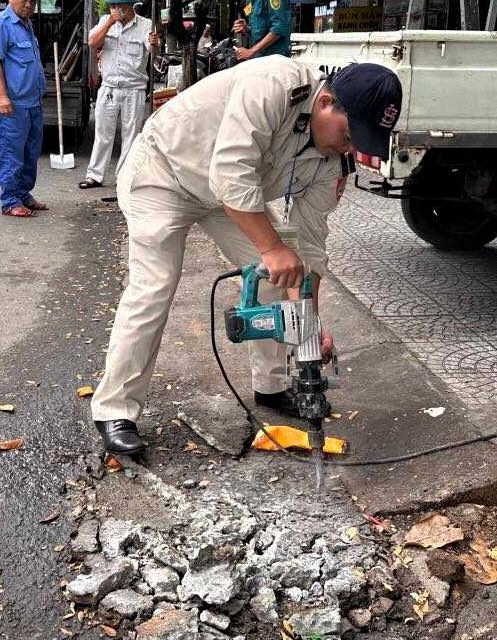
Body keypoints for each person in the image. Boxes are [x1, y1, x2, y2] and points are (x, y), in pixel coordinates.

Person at [89, 56, 403, 456]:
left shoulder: (330, 161)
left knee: (278, 278)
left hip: (229, 197)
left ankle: (271, 386)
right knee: (155, 287)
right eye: (350, 133)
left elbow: (309, 246)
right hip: (163, 173)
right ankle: (115, 409)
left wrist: (309, 324)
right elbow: (230, 175)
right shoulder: (273, 86)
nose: (351, 146)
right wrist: (271, 248)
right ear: (326, 103)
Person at [79, 0, 159, 190]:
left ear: (129, 6)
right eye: (112, 6)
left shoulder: (145, 25)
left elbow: (153, 51)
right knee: (103, 133)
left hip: (134, 88)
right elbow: (92, 43)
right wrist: (108, 24)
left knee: (131, 135)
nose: (115, 9)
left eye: (118, 6)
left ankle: (123, 177)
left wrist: (154, 44)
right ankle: (94, 175)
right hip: (110, 87)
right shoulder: (105, 21)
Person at [0, 0, 48, 218]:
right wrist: (2, 97)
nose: (29, 4)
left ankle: (23, 193)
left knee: (30, 153)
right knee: (12, 153)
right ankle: (10, 200)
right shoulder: (1, 24)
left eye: (33, 0)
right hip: (13, 104)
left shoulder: (26, 24)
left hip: (32, 102)